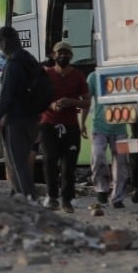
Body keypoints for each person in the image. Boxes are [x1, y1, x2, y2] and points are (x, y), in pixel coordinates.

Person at [0, 26, 40, 201]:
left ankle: (28, 201)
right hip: (33, 121)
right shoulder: (30, 60)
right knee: (22, 163)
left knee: (17, 166)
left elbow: (5, 98)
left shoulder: (13, 65)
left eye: (0, 43)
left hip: (16, 122)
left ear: (7, 41)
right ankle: (24, 199)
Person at [40, 41, 89, 212]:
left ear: (71, 56)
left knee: (69, 164)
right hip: (49, 124)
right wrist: (51, 105)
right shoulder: (46, 75)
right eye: (60, 53)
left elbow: (87, 101)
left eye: (67, 54)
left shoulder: (77, 76)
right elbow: (38, 99)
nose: (63, 56)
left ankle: (67, 199)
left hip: (71, 126)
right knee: (49, 160)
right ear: (53, 55)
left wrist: (71, 102)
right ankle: (52, 196)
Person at [82, 69, 128, 212]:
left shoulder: (123, 76)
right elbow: (87, 100)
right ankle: (102, 190)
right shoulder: (94, 76)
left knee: (120, 164)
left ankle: (117, 197)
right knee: (98, 156)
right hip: (99, 126)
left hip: (120, 127)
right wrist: (82, 122)